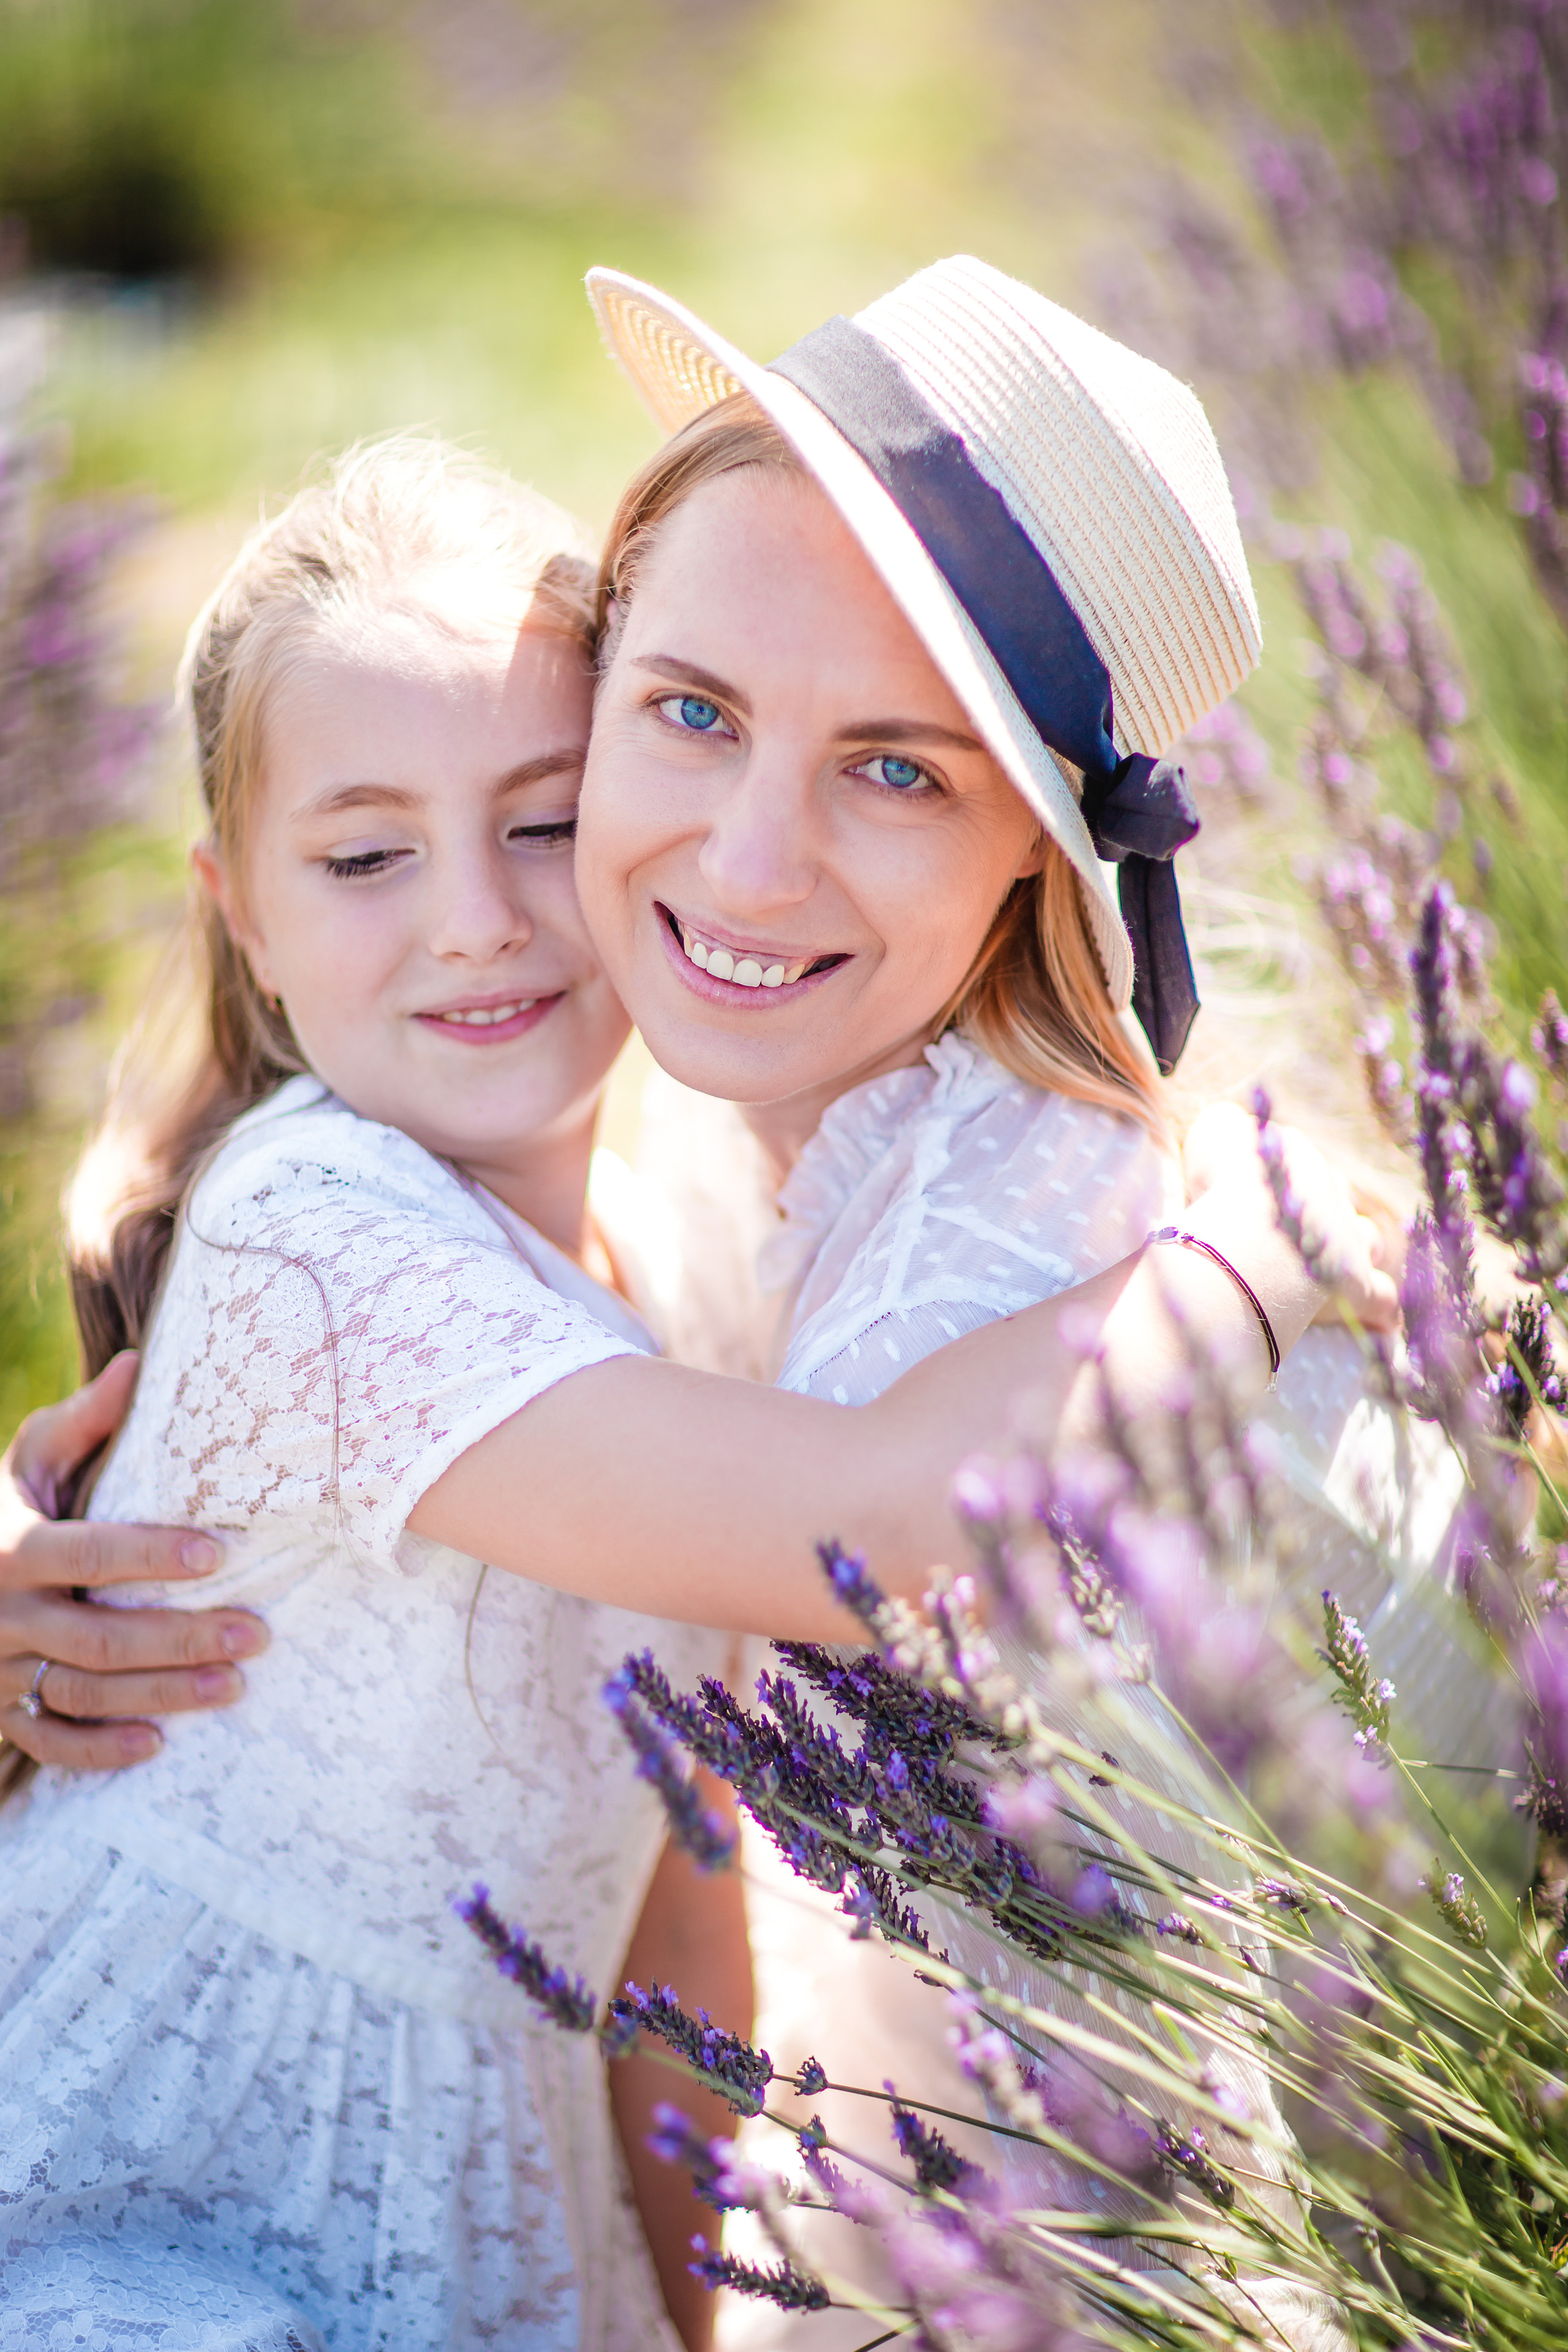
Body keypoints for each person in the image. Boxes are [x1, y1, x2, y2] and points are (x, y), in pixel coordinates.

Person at [0, 270, 1398, 2348]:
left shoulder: (668, 1265)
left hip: (479, 2198)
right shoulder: (317, 1226)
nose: (481, 920)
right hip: (166, 2184)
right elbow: (868, 1523)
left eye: (541, 824)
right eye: (367, 860)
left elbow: (678, 1897)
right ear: (249, 922)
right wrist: (1251, 1255)